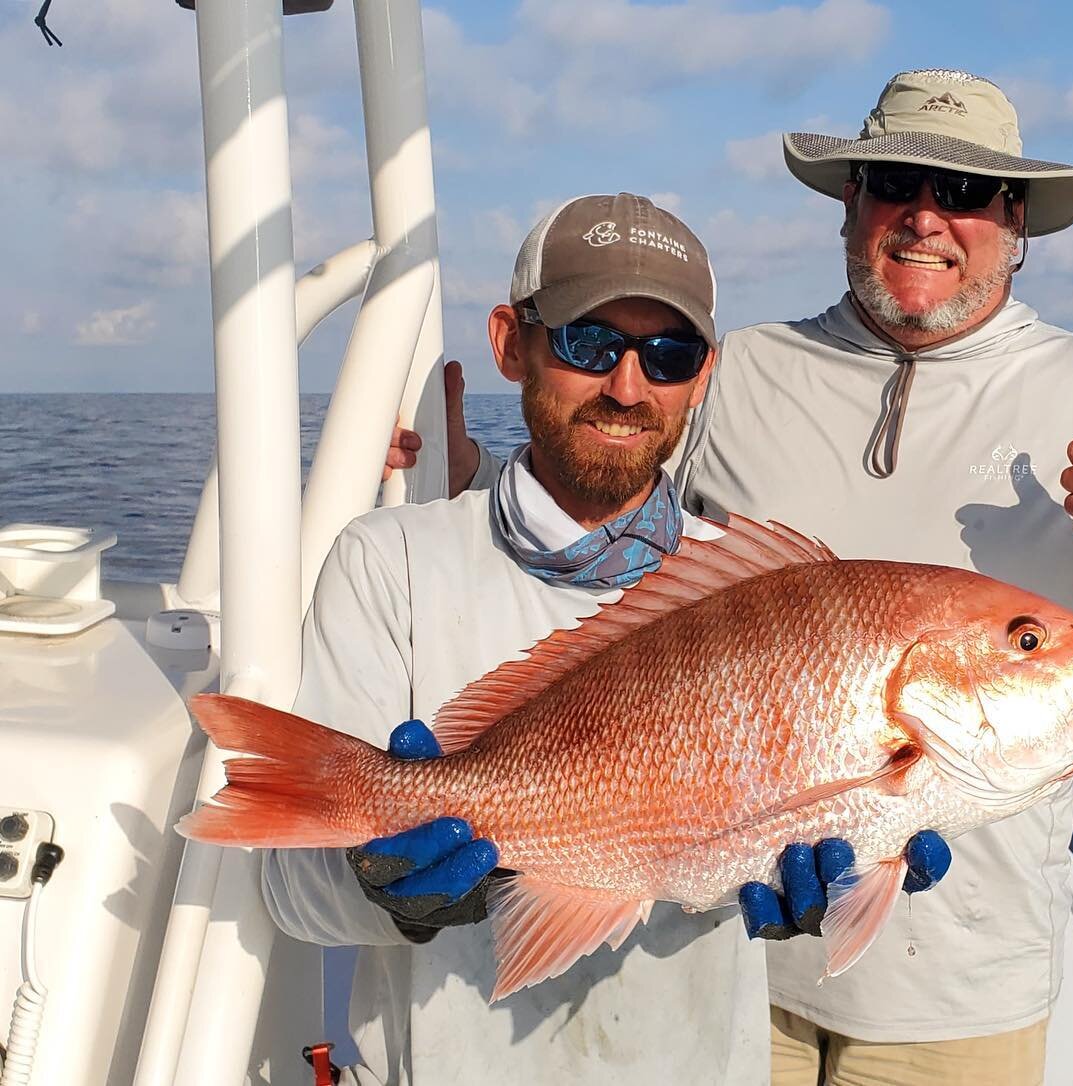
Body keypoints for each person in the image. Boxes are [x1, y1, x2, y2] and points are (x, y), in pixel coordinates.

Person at [407, 69, 1073, 1085]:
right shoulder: (736, 374)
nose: (925, 217)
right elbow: (610, 553)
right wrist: (470, 485)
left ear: (1016, 222)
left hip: (962, 1002)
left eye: (963, 193)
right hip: (718, 959)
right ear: (848, 203)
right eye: (891, 182)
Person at [267, 192, 948, 1086]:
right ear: (513, 343)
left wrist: (849, 877)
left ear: (701, 377)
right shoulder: (391, 559)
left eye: (670, 355)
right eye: (588, 344)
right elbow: (291, 894)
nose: (629, 388)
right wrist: (385, 889)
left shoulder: (747, 582)